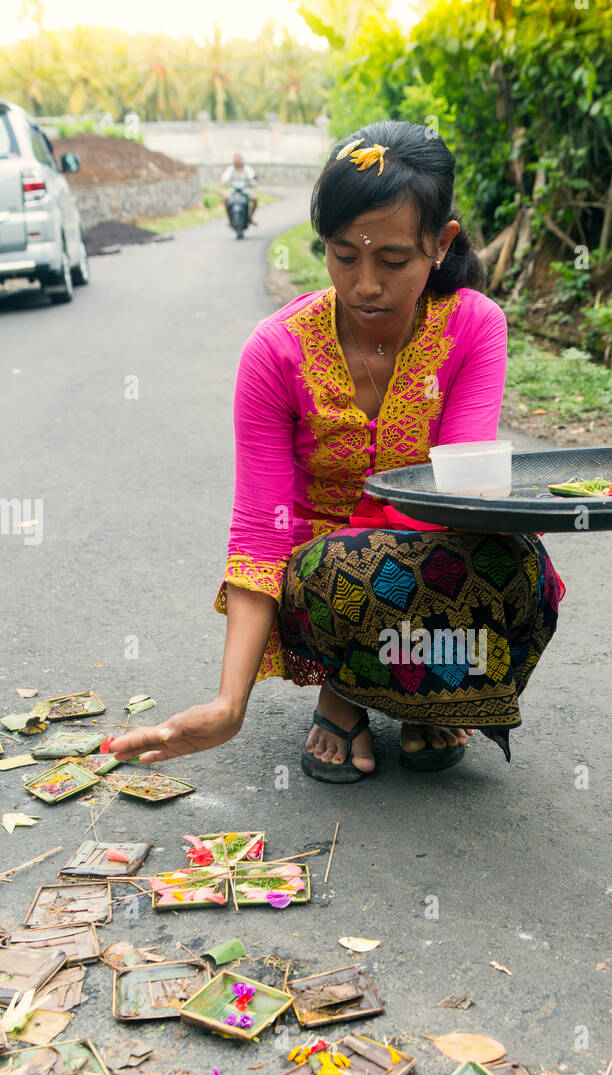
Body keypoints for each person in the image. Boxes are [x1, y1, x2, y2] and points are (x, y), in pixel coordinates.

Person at [110, 120, 564, 782]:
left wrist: (524, 508)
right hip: (320, 582)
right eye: (344, 255)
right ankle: (351, 686)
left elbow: (459, 494)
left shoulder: (472, 326)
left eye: (393, 260)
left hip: (428, 547)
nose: (366, 286)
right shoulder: (277, 350)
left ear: (441, 244)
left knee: (518, 564)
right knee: (348, 569)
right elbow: (258, 538)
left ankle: (420, 688)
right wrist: (228, 704)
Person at [220, 153, 257, 226]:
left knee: (255, 198)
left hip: (245, 189)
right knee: (225, 198)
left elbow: (253, 178)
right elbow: (224, 178)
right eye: (236, 160)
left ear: (241, 160)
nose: (237, 162)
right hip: (233, 189)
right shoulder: (230, 169)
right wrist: (223, 182)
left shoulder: (247, 169)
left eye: (239, 160)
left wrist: (253, 182)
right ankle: (229, 217)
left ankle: (251, 217)